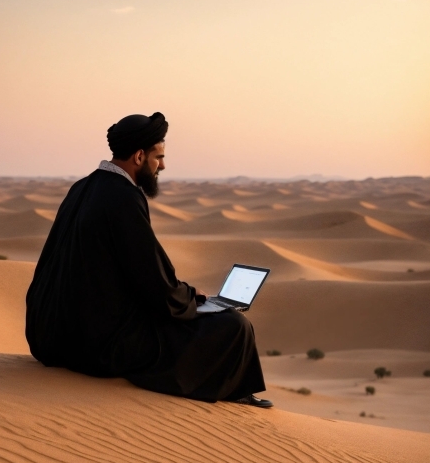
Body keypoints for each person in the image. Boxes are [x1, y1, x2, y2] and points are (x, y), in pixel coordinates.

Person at [25, 112, 272, 407]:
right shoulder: (123, 197)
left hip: (49, 337)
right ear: (140, 156)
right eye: (159, 156)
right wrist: (193, 301)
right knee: (233, 325)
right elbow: (154, 282)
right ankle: (233, 391)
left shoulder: (82, 187)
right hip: (93, 346)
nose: (163, 165)